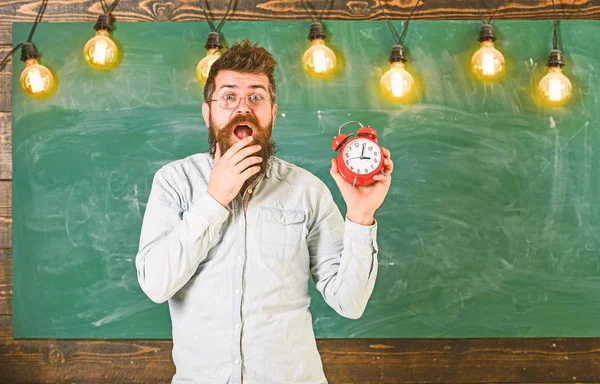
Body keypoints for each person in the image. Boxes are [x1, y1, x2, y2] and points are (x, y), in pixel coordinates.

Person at [135, 40, 394, 384]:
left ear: (272, 112)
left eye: (256, 97)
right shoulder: (174, 182)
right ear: (207, 112)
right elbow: (155, 284)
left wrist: (362, 216)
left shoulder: (307, 191)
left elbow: (350, 302)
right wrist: (214, 199)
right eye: (228, 96)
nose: (243, 107)